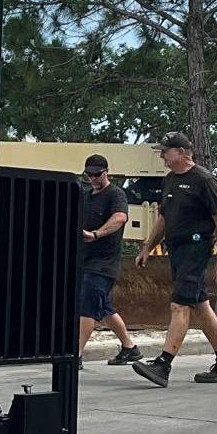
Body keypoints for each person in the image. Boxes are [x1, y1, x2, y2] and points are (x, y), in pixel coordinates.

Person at [131, 132, 217, 386]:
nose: (162, 157)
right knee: (200, 305)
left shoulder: (204, 180)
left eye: (165, 152)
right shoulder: (169, 180)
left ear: (181, 152)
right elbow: (164, 218)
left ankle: (163, 365)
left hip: (196, 249)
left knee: (179, 305)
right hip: (177, 251)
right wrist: (147, 247)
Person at [78, 154, 140, 367]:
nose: (93, 178)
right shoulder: (85, 196)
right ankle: (129, 348)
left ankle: (75, 356)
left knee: (86, 306)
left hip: (103, 263)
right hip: (84, 260)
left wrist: (96, 234)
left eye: (97, 174)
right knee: (104, 308)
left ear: (107, 173)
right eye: (89, 175)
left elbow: (120, 218)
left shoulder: (115, 194)